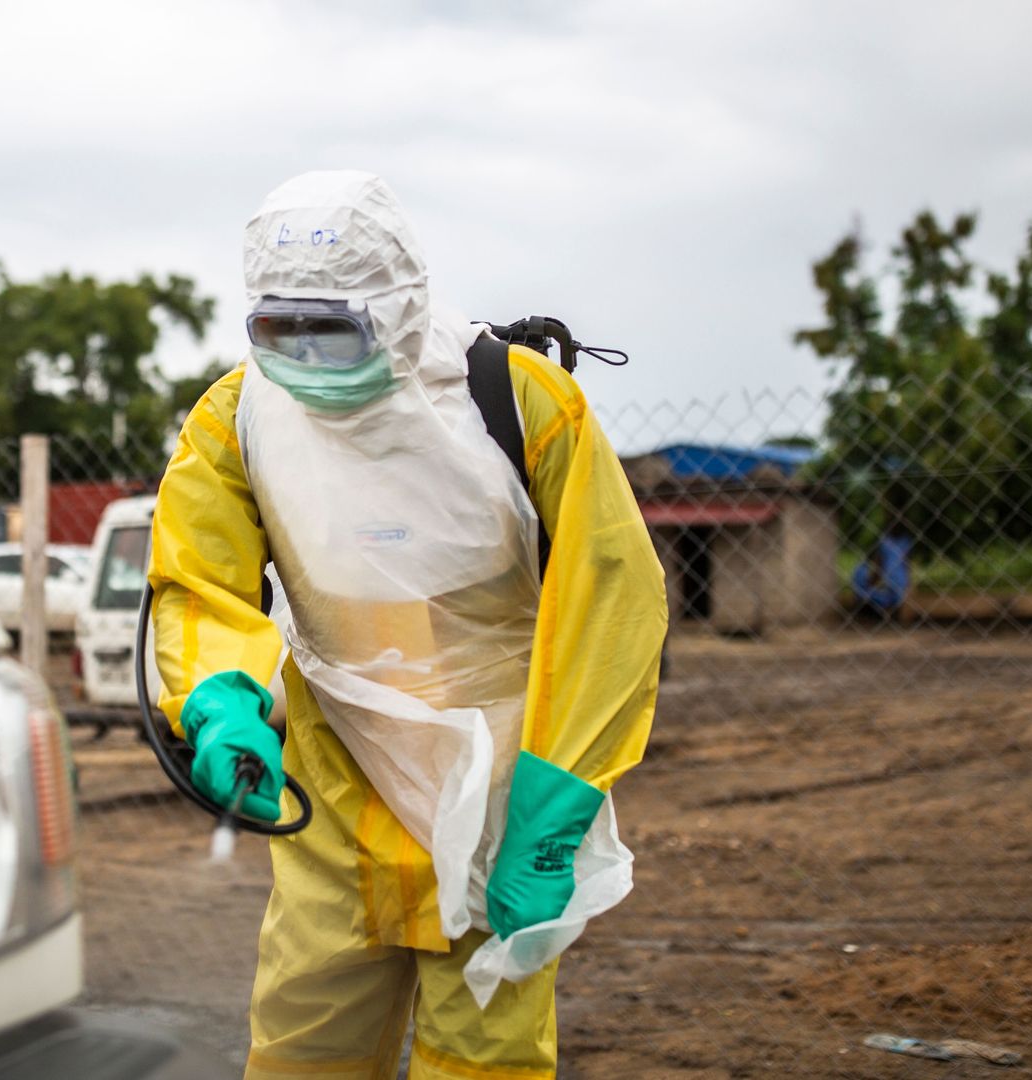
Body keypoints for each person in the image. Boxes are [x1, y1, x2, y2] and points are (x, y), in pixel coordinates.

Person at [147, 171, 667, 1080]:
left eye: (333, 330)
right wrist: (221, 702)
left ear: (397, 305)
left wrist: (555, 811)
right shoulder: (237, 419)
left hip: (503, 784)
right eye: (282, 331)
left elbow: (609, 603)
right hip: (337, 784)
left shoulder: (521, 403)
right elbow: (198, 580)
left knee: (486, 1057)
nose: (307, 360)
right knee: (306, 1043)